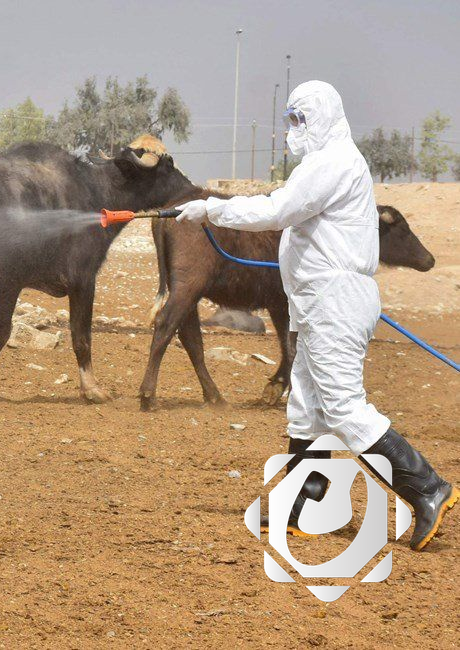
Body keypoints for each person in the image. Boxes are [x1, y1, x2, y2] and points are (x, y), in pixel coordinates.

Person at [175, 80, 456, 551]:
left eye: (301, 119)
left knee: (344, 406)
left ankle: (427, 487)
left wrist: (211, 209)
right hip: (318, 302)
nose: (293, 129)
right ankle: (304, 505)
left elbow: (279, 208)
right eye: (290, 119)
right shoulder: (326, 164)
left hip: (335, 301)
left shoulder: (334, 162)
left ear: (325, 116)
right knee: (306, 408)